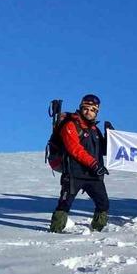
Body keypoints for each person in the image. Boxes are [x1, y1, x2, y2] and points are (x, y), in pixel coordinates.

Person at [49, 94, 110, 233]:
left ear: (97, 112)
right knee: (64, 204)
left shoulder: (95, 129)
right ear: (81, 107)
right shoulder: (71, 125)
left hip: (93, 175)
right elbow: (74, 149)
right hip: (73, 173)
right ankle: (54, 233)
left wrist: (110, 135)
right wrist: (94, 164)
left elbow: (103, 150)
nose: (89, 112)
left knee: (103, 204)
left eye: (93, 110)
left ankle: (96, 231)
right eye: (86, 108)